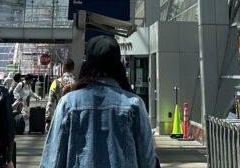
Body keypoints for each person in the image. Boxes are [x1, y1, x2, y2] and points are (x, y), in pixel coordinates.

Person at [39, 36, 158, 168]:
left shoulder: (68, 103)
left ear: (87, 66)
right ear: (119, 68)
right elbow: (148, 161)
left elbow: (52, 160)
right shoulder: (134, 104)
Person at [44, 60, 75, 129]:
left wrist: (48, 120)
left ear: (62, 68)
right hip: (74, 119)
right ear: (73, 68)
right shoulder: (77, 84)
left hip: (60, 117)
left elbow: (50, 103)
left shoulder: (56, 82)